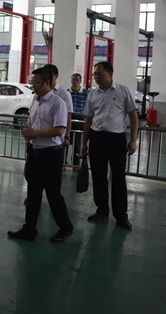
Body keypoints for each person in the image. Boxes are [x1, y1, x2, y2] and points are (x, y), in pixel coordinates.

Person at [8, 67, 74, 242]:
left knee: (53, 193)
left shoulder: (58, 103)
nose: (33, 86)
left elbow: (59, 130)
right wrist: (29, 133)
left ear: (47, 82)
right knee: (33, 193)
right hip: (35, 152)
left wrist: (35, 133)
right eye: (32, 82)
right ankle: (29, 229)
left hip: (50, 154)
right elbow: (32, 123)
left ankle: (66, 228)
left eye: (36, 83)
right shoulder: (35, 101)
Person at [81, 61, 138, 231]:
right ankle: (102, 210)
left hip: (116, 140)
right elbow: (88, 119)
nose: (96, 77)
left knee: (118, 178)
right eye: (95, 74)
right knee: (98, 176)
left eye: (100, 74)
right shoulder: (92, 94)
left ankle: (121, 216)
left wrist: (133, 140)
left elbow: (133, 116)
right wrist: (84, 143)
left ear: (110, 74)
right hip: (97, 138)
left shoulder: (123, 91)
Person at [43, 64, 73, 170]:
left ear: (56, 76)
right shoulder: (39, 93)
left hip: (57, 140)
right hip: (41, 139)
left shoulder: (64, 94)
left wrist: (67, 137)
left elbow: (68, 116)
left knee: (54, 171)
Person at [68, 73, 89, 169]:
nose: (75, 82)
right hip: (69, 118)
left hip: (80, 119)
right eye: (73, 80)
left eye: (77, 80)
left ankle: (75, 163)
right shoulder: (67, 92)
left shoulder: (86, 93)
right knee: (66, 141)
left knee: (77, 143)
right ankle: (63, 162)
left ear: (80, 81)